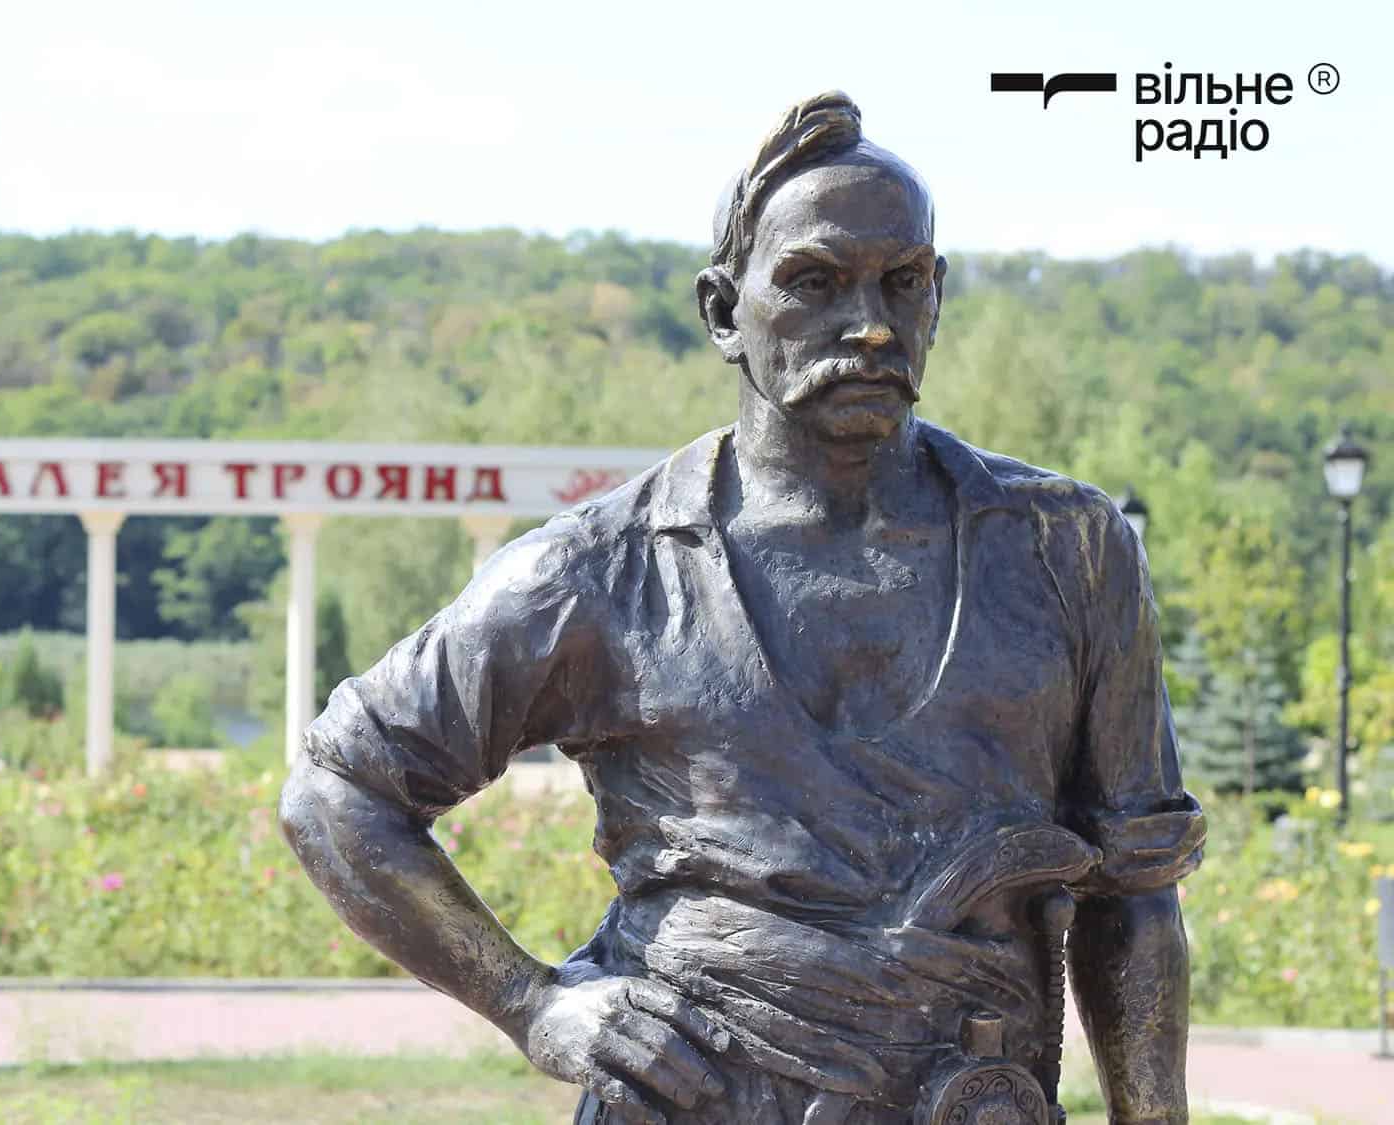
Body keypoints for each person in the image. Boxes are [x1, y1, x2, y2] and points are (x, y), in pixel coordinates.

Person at [279, 91, 1204, 1125]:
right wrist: (530, 1002)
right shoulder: (602, 570)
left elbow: (1132, 888)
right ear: (724, 311)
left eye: (901, 283)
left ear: (935, 297)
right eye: (811, 283)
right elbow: (338, 790)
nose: (867, 325)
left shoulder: (1063, 548)